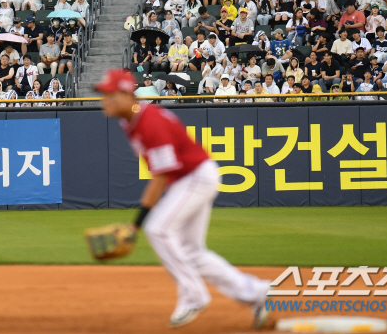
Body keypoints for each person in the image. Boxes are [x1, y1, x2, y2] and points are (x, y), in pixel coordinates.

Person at [95, 69, 271, 327]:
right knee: (192, 252)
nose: (104, 100)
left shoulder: (148, 121)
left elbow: (160, 177)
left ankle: (193, 295)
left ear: (126, 94)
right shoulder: (130, 119)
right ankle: (258, 294)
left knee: (158, 229)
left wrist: (136, 225)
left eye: (109, 94)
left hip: (196, 177)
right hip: (191, 178)